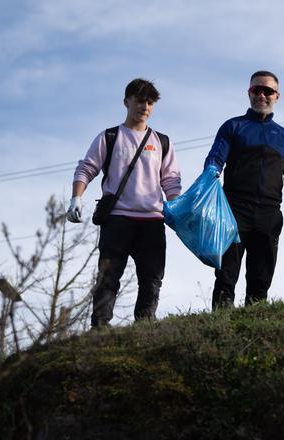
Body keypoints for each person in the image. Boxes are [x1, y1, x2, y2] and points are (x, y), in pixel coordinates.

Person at [66, 78, 181, 327]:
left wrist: (177, 207)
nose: (145, 106)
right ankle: (99, 328)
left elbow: (171, 180)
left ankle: (144, 326)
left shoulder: (162, 141)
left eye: (150, 102)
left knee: (151, 278)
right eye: (140, 100)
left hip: (152, 220)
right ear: (126, 101)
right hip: (117, 219)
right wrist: (76, 197)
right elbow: (87, 168)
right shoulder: (110, 136)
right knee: (108, 277)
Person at [204, 70, 284, 309]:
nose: (262, 95)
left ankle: (256, 325)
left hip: (269, 214)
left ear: (277, 96)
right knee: (225, 276)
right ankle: (220, 328)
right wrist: (211, 173)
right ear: (249, 93)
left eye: (268, 91)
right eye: (256, 90)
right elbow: (215, 157)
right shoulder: (233, 127)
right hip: (233, 212)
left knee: (260, 280)